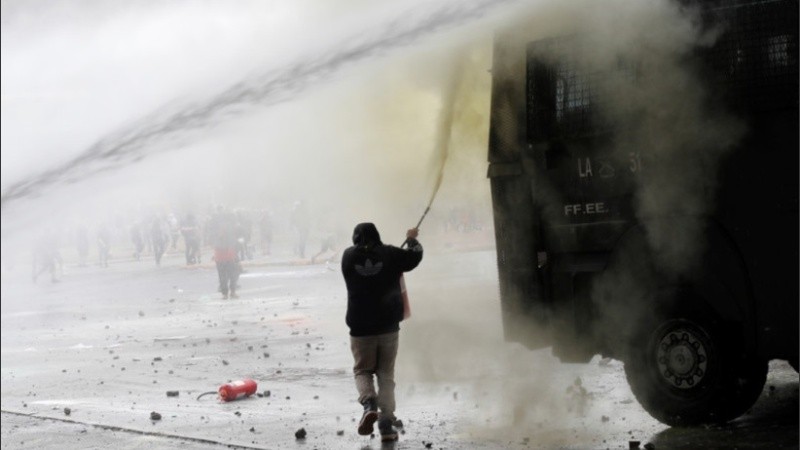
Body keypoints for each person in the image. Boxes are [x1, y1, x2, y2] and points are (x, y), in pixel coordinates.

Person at [340, 223, 423, 442]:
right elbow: (413, 258)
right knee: (386, 374)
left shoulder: (348, 257)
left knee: (363, 371)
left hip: (360, 328)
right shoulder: (390, 253)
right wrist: (412, 239)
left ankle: (369, 404)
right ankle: (386, 424)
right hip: (387, 326)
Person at [209, 207, 241, 299]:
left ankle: (226, 293)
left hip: (220, 255)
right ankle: (231, 292)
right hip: (228, 254)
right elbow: (236, 239)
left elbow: (212, 241)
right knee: (232, 274)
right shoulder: (231, 227)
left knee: (223, 275)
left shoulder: (215, 228)